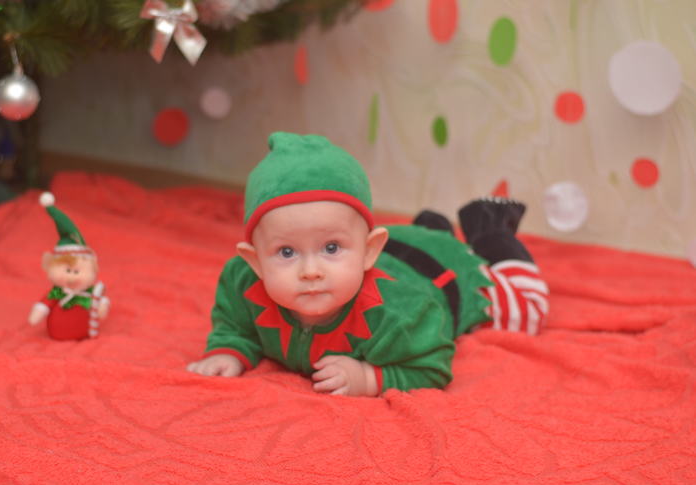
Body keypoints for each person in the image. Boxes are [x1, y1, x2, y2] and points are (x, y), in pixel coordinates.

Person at [187, 132, 548, 396]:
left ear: (369, 250)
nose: (310, 271)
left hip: (443, 270)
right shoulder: (242, 282)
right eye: (286, 252)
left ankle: (491, 229)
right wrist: (228, 350)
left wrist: (370, 378)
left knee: (526, 310)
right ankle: (431, 225)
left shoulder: (401, 313)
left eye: (331, 248)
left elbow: (432, 366)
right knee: (408, 236)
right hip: (399, 245)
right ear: (254, 260)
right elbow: (234, 326)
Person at [28, 192, 110, 340]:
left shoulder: (91, 293)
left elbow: (99, 303)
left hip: (85, 331)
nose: (72, 276)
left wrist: (102, 305)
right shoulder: (57, 293)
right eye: (67, 270)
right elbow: (44, 305)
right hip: (57, 332)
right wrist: (38, 312)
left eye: (76, 271)